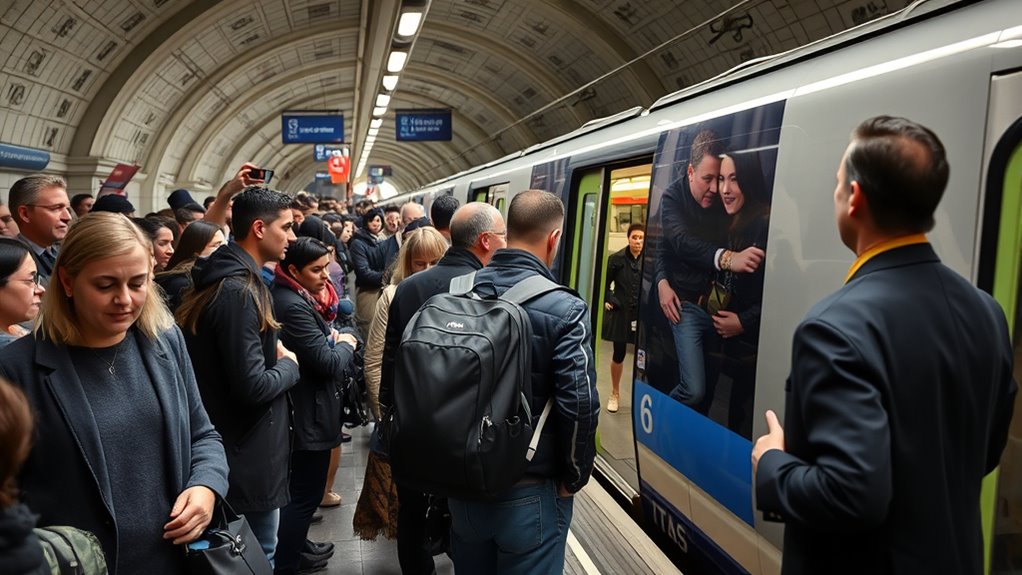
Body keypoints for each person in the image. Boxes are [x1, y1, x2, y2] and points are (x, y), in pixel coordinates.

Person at [752, 116, 1017, 575]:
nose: (835, 193)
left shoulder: (834, 328)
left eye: (838, 183)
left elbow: (851, 494)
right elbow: (983, 452)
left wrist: (772, 463)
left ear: (854, 199)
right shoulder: (986, 313)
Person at [0, 212, 229, 574]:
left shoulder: (165, 343)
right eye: (106, 285)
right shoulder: (13, 370)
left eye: (138, 284)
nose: (124, 300)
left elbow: (204, 434)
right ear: (68, 281)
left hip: (178, 561)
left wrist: (207, 485)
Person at [443, 191, 599, 574]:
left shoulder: (457, 292)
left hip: (462, 488)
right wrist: (574, 476)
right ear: (555, 238)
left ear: (507, 233)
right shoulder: (567, 308)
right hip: (529, 491)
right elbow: (578, 403)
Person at [376, 201, 506, 574]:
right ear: (484, 241)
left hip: (414, 423)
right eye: (502, 236)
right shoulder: (491, 288)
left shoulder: (409, 287)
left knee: (412, 512)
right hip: (469, 429)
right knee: (465, 512)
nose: (505, 243)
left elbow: (392, 357)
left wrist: (389, 414)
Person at [176, 186, 300, 565]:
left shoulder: (229, 280)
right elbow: (251, 387)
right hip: (246, 455)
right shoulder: (240, 292)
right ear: (259, 228)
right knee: (256, 557)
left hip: (238, 449)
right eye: (287, 227)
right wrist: (289, 366)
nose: (292, 238)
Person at [653, 130, 763, 412]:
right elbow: (675, 243)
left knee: (711, 392)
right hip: (688, 306)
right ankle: (660, 419)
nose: (718, 189)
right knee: (694, 388)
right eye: (709, 179)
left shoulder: (742, 215)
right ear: (690, 172)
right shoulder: (673, 198)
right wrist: (662, 281)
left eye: (725, 178)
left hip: (717, 310)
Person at [271, 237, 358, 575]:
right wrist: (346, 344)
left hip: (310, 407)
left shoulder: (295, 297)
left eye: (326, 266)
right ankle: (289, 562)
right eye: (316, 269)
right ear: (293, 270)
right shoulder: (292, 305)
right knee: (304, 494)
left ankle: (298, 546)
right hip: (307, 412)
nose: (326, 275)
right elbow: (326, 363)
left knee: (301, 493)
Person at [714, 152, 771, 439]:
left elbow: (777, 293)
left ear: (748, 180)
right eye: (722, 179)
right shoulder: (735, 224)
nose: (725, 189)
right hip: (735, 349)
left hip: (753, 349)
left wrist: (743, 322)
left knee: (740, 418)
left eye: (734, 179)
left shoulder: (763, 224)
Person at [365, 227, 448, 421]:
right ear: (408, 263)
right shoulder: (392, 295)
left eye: (435, 262)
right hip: (402, 403)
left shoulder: (458, 295)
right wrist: (382, 416)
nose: (428, 270)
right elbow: (374, 360)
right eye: (420, 263)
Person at [601, 223, 644, 413]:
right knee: (618, 354)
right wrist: (609, 299)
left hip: (641, 316)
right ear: (628, 238)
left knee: (642, 358)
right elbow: (604, 284)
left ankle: (641, 398)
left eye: (641, 238)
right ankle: (615, 393)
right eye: (635, 237)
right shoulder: (615, 259)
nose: (638, 241)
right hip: (621, 314)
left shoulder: (649, 261)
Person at [8, 175, 72, 286]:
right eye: (56, 208)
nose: (67, 217)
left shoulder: (67, 253)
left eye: (67, 209)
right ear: (25, 214)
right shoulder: (11, 262)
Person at [155, 220, 225, 312]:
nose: (224, 249)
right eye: (216, 245)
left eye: (224, 244)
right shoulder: (183, 283)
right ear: (196, 249)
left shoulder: (214, 275)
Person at [350, 208, 397, 337]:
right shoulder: (358, 243)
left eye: (378, 220)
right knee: (368, 328)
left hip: (383, 289)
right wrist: (387, 276)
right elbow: (363, 272)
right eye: (372, 221)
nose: (376, 224)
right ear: (366, 223)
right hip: (368, 290)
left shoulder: (383, 240)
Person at [0, 238, 45, 348]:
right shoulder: (9, 353)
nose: (41, 289)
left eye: (36, 280)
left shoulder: (14, 329)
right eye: (30, 280)